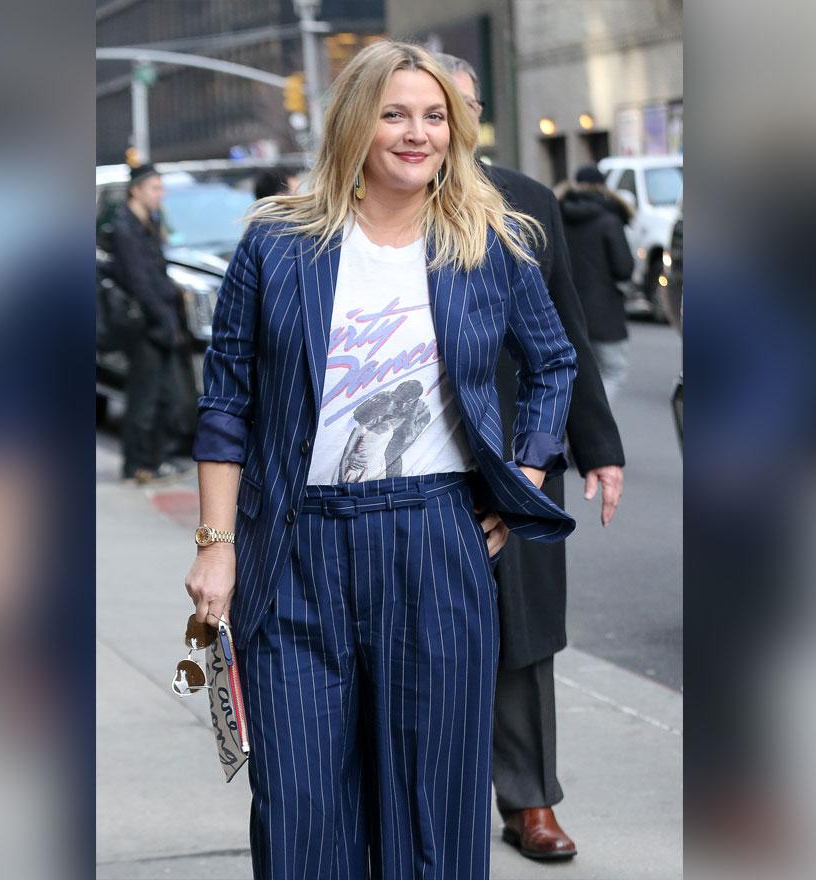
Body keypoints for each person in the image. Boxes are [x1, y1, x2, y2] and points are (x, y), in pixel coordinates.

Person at [183, 41, 578, 880]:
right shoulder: (277, 242)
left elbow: (554, 364)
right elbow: (225, 400)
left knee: (433, 807)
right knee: (299, 805)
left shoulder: (489, 241)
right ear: (355, 124)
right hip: (293, 548)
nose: (417, 133)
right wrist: (216, 547)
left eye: (434, 116)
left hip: (436, 539)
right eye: (395, 114)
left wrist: (522, 485)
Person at [438, 53, 626, 861]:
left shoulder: (525, 199)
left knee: (522, 632)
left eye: (459, 104)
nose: (443, 121)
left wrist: (598, 448)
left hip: (522, 450)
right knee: (423, 636)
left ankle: (528, 801)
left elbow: (566, 333)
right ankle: (429, 799)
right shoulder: (368, 206)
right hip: (412, 460)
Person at [110, 165, 197, 483]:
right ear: (137, 190)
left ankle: (153, 460)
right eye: (155, 189)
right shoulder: (125, 228)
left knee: (164, 395)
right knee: (145, 397)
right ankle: (138, 464)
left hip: (159, 321)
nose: (160, 195)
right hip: (145, 325)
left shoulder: (147, 224)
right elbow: (140, 281)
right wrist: (164, 317)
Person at [558, 164, 636, 411]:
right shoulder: (609, 220)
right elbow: (624, 268)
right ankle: (596, 423)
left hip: (566, 311)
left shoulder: (557, 215)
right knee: (613, 370)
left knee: (576, 376)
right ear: (603, 186)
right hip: (605, 314)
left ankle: (575, 430)